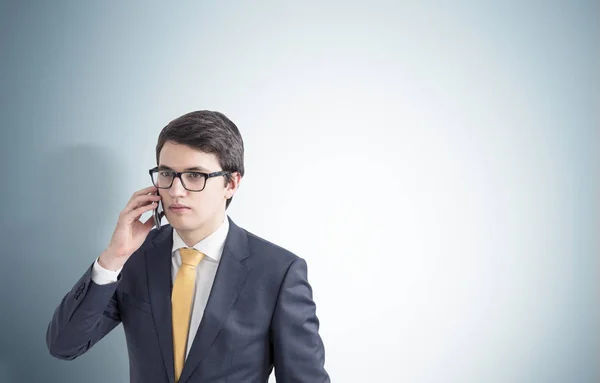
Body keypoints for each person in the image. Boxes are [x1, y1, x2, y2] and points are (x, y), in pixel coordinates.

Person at [46, 110, 330, 383]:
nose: (176, 191)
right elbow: (64, 345)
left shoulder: (278, 272)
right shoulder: (134, 257)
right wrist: (114, 257)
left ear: (231, 183)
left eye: (195, 175)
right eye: (167, 174)